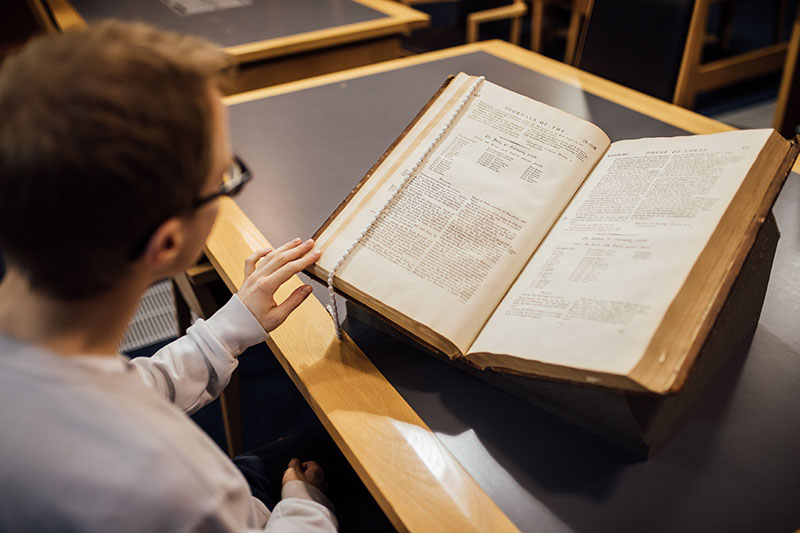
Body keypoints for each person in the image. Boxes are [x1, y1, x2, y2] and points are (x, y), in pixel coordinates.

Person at [0, 21, 338, 531]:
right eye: (224, 177)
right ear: (168, 244)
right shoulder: (175, 483)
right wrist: (306, 504)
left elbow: (125, 386)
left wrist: (229, 327)